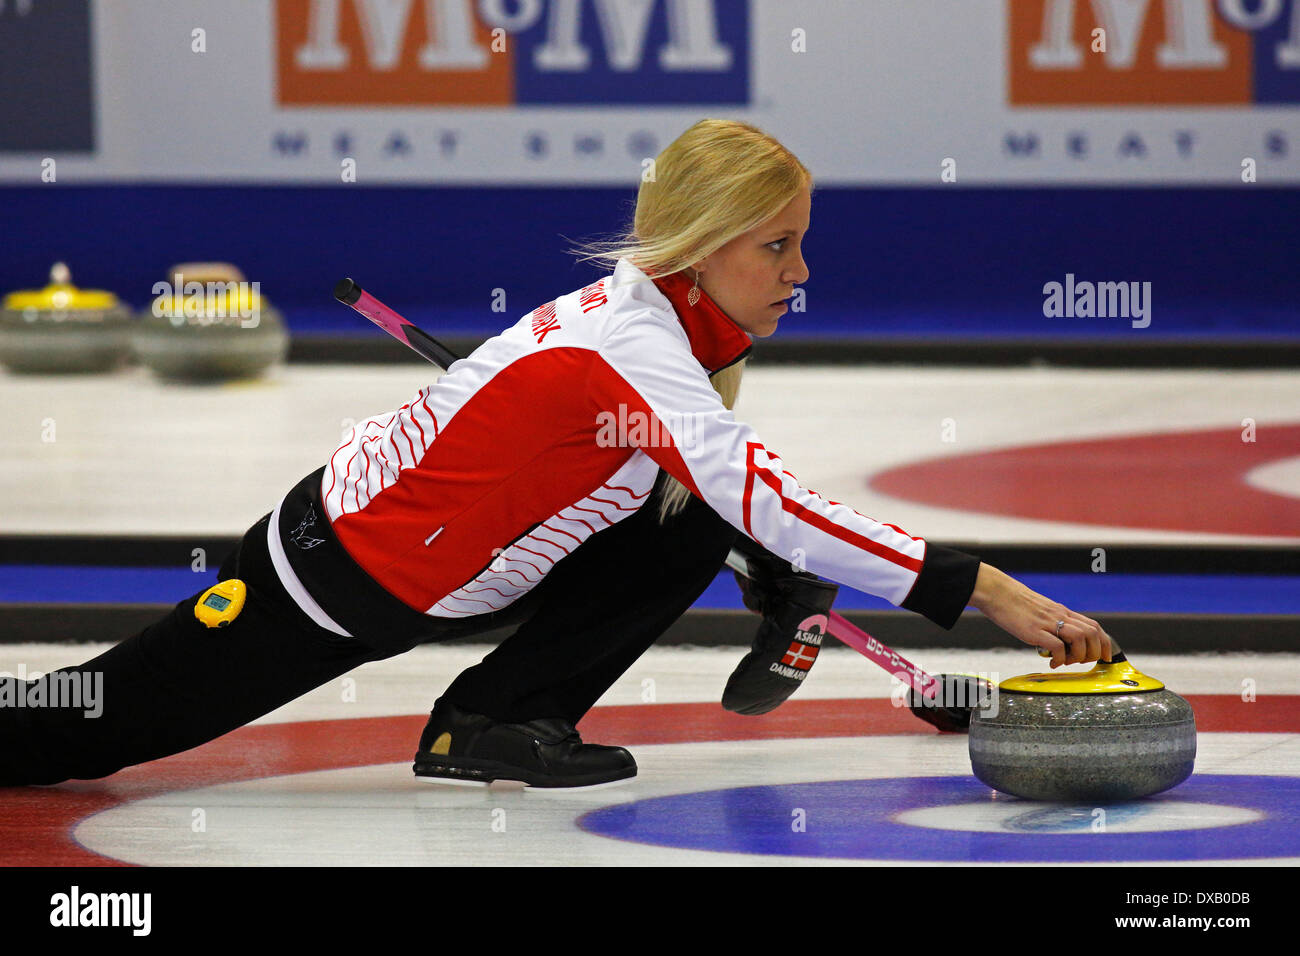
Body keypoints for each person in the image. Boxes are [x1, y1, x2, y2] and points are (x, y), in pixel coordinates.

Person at [0, 119, 1112, 790]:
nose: (799, 271)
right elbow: (765, 491)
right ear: (700, 243)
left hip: (453, 568)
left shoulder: (665, 330)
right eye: (776, 245)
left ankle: (490, 723)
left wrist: (756, 547)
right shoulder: (631, 348)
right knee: (72, 730)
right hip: (336, 578)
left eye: (801, 243)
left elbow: (731, 484)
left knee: (704, 515)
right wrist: (988, 591)